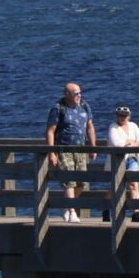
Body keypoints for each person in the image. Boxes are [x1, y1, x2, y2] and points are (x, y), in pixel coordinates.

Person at [45, 83, 96, 219]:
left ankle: (67, 206)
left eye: (80, 93)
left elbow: (90, 127)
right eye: (75, 93)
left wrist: (93, 146)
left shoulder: (84, 106)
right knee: (69, 181)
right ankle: (72, 212)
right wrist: (52, 152)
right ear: (67, 94)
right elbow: (50, 131)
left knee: (81, 183)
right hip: (64, 149)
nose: (79, 96)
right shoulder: (58, 108)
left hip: (80, 150)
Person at [106, 105, 139, 210]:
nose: (122, 118)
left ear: (129, 116)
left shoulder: (133, 126)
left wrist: (130, 144)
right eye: (120, 115)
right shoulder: (113, 127)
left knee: (134, 184)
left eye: (124, 116)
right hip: (118, 160)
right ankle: (106, 209)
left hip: (132, 159)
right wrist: (131, 142)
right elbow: (116, 143)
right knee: (114, 186)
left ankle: (136, 212)